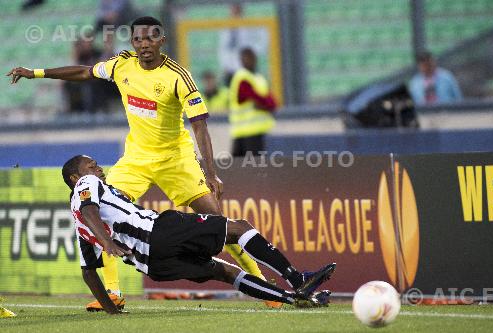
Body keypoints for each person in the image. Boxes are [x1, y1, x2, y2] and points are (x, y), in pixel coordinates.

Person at [7, 16, 271, 310]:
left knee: (219, 223)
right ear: (132, 42)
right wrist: (36, 73)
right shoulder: (121, 65)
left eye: (149, 39)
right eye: (137, 39)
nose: (143, 44)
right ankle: (112, 292)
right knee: (103, 212)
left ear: (161, 41)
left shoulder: (178, 76)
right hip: (137, 158)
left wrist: (211, 173)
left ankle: (262, 285)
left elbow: (200, 127)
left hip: (176, 159)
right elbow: (84, 72)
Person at [62, 155, 336, 314]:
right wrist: (109, 241)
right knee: (239, 227)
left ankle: (293, 299)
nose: (98, 169)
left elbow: (89, 272)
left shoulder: (81, 229)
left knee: (224, 272)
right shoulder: (86, 186)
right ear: (76, 178)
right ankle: (297, 278)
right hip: (159, 232)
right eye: (91, 166)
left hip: (154, 265)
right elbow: (89, 209)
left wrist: (111, 310)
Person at [229, 48, 277, 157]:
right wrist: (265, 104)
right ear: (241, 60)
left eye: (250, 57)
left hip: (257, 131)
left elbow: (271, 102)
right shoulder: (242, 77)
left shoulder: (259, 78)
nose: (248, 60)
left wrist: (265, 104)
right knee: (242, 166)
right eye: (245, 58)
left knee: (250, 167)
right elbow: (251, 96)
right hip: (243, 132)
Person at [218, 4, 269, 86]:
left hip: (248, 68)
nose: (234, 10)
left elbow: (263, 39)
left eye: (237, 7)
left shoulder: (250, 23)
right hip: (231, 70)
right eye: (233, 7)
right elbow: (223, 48)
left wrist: (252, 53)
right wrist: (225, 65)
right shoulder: (226, 27)